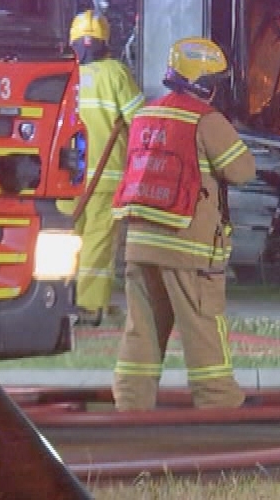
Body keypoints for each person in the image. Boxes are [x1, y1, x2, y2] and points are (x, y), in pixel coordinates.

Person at [109, 37, 255, 412]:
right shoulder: (206, 120)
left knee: (142, 329)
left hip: (140, 244)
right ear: (204, 82)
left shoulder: (145, 114)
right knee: (203, 327)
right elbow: (242, 171)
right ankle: (218, 403)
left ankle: (131, 403)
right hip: (188, 249)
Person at [63, 10, 145, 324]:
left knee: (64, 240)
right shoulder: (116, 73)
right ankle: (89, 306)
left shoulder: (63, 72)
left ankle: (57, 301)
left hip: (64, 179)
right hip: (105, 178)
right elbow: (140, 120)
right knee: (97, 243)